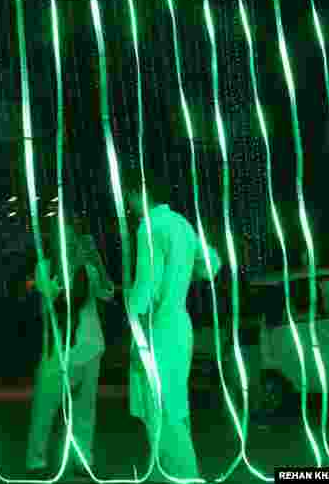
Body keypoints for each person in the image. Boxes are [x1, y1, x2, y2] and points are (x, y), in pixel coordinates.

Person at [123, 170, 217, 482]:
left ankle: (183, 476)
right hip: (180, 322)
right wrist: (182, 276)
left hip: (157, 325)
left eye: (130, 194)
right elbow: (212, 264)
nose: (128, 201)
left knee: (159, 408)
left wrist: (135, 331)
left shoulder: (149, 226)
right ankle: (169, 474)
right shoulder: (181, 223)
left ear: (140, 193)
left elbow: (145, 286)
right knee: (174, 404)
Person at [26, 217, 115, 476]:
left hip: (90, 346)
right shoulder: (45, 266)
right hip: (57, 352)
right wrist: (76, 264)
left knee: (85, 412)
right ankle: (36, 461)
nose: (68, 243)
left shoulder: (89, 269)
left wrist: (96, 259)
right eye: (63, 238)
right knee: (45, 408)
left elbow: (108, 293)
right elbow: (58, 296)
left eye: (72, 237)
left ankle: (82, 460)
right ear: (54, 240)